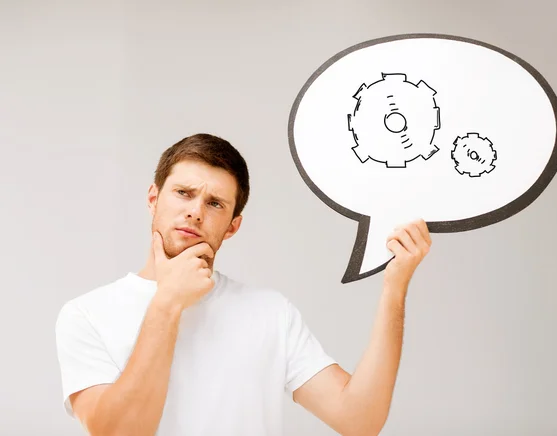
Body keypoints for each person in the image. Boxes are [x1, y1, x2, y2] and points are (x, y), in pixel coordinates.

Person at [55, 133, 432, 436]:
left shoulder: (271, 313)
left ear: (233, 225)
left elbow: (360, 421)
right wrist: (167, 302)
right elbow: (120, 433)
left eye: (215, 203)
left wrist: (395, 287)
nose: (195, 211)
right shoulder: (86, 315)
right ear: (154, 199)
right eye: (184, 193)